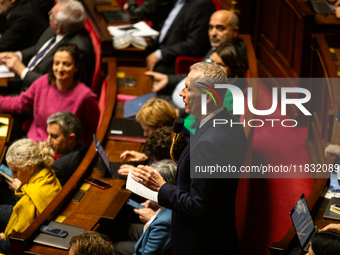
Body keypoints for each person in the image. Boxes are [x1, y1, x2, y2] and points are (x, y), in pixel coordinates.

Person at [131, 62, 248, 254]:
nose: (181, 93)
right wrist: (164, 197)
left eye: (188, 88)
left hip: (200, 244)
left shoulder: (210, 142)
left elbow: (198, 206)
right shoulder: (228, 123)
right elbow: (208, 190)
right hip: (218, 233)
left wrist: (162, 188)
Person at [0, 44, 99, 147]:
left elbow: (92, 128)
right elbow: (20, 103)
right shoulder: (42, 82)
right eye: (56, 63)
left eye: (66, 64)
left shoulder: (85, 96)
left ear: (76, 67)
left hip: (62, 151)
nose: (60, 69)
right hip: (33, 142)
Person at [0, 0, 94, 92]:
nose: (49, 13)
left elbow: (55, 86)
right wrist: (17, 55)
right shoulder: (59, 27)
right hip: (21, 82)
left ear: (59, 26)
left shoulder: (77, 51)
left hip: (36, 96)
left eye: (52, 15)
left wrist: (22, 71)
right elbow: (37, 49)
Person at [145, 10, 247, 94]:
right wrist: (168, 79)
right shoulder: (217, 47)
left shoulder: (233, 56)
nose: (213, 33)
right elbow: (198, 75)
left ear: (235, 32)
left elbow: (212, 100)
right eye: (211, 27)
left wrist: (179, 112)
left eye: (220, 28)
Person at [0, 139, 62, 254]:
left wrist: (3, 237)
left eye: (15, 171)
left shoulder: (28, 202)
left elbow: (16, 240)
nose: (13, 176)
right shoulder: (48, 173)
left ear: (30, 168)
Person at [114, 159, 176, 255]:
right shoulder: (178, 197)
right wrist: (158, 207)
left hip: (146, 246)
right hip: (151, 232)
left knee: (115, 247)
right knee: (124, 228)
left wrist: (153, 218)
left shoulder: (162, 223)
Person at [145, 0, 215, 74]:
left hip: (175, 61)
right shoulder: (178, 2)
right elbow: (169, 29)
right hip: (161, 49)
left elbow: (195, 45)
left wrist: (161, 54)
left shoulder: (202, 4)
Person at [119, 98, 177, 163]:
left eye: (147, 130)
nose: (145, 134)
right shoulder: (171, 138)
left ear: (160, 127)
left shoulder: (176, 150)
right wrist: (147, 157)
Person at [47, 111, 88, 186]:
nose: (48, 140)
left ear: (71, 139)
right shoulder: (82, 147)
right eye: (48, 134)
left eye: (54, 136)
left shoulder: (58, 168)